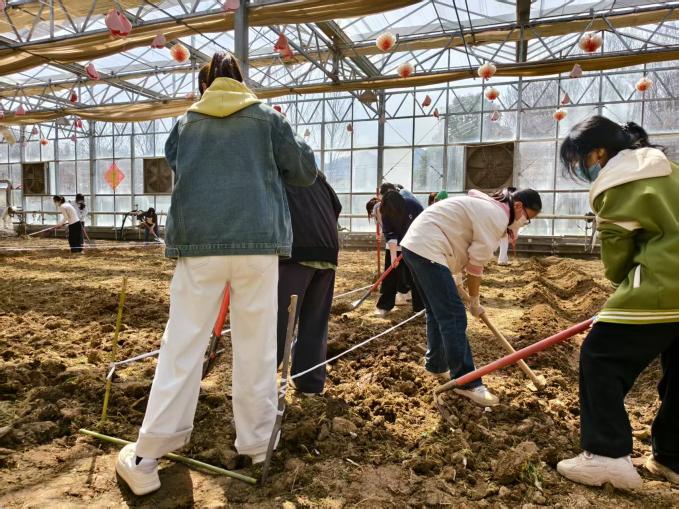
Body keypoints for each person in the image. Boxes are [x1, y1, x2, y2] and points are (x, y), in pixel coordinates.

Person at [115, 51, 317, 496]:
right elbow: (304, 172)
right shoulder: (266, 118)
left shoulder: (186, 123)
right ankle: (258, 444)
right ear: (242, 83)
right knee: (256, 345)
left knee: (182, 344)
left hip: (198, 247)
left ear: (203, 87)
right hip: (257, 247)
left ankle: (147, 457)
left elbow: (176, 162)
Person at [555, 116, 679, 490]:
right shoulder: (670, 169)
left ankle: (607, 455)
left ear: (598, 152)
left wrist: (624, 297)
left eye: (578, 160)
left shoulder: (618, 180)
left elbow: (617, 262)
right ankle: (672, 457)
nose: (580, 169)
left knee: (601, 355)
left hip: (663, 285)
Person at [401, 187, 541, 406]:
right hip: (429, 247)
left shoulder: (489, 208)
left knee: (438, 312)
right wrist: (474, 301)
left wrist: (454, 276)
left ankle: (436, 364)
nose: (525, 223)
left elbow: (459, 237)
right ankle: (467, 381)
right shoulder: (496, 217)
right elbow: (475, 266)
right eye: (527, 218)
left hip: (416, 245)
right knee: (454, 315)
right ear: (518, 206)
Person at [276, 171, 341, 395]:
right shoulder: (318, 176)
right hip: (328, 251)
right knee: (315, 319)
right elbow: (337, 207)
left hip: (296, 249)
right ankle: (309, 383)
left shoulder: (280, 170)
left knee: (279, 320)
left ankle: (260, 383)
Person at [377, 190, 424, 315]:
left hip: (414, 245)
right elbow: (390, 234)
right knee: (389, 276)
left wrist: (412, 244)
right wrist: (393, 256)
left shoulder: (413, 206)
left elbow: (423, 225)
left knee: (416, 276)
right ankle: (384, 306)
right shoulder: (385, 211)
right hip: (395, 246)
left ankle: (420, 308)